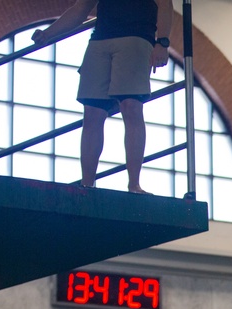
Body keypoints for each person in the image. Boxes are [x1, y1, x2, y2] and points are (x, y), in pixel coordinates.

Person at [31, 0, 171, 192]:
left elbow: (165, 4)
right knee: (92, 113)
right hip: (100, 40)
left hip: (136, 37)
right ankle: (87, 184)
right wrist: (48, 34)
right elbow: (81, 8)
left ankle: (134, 184)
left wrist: (162, 42)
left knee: (131, 106)